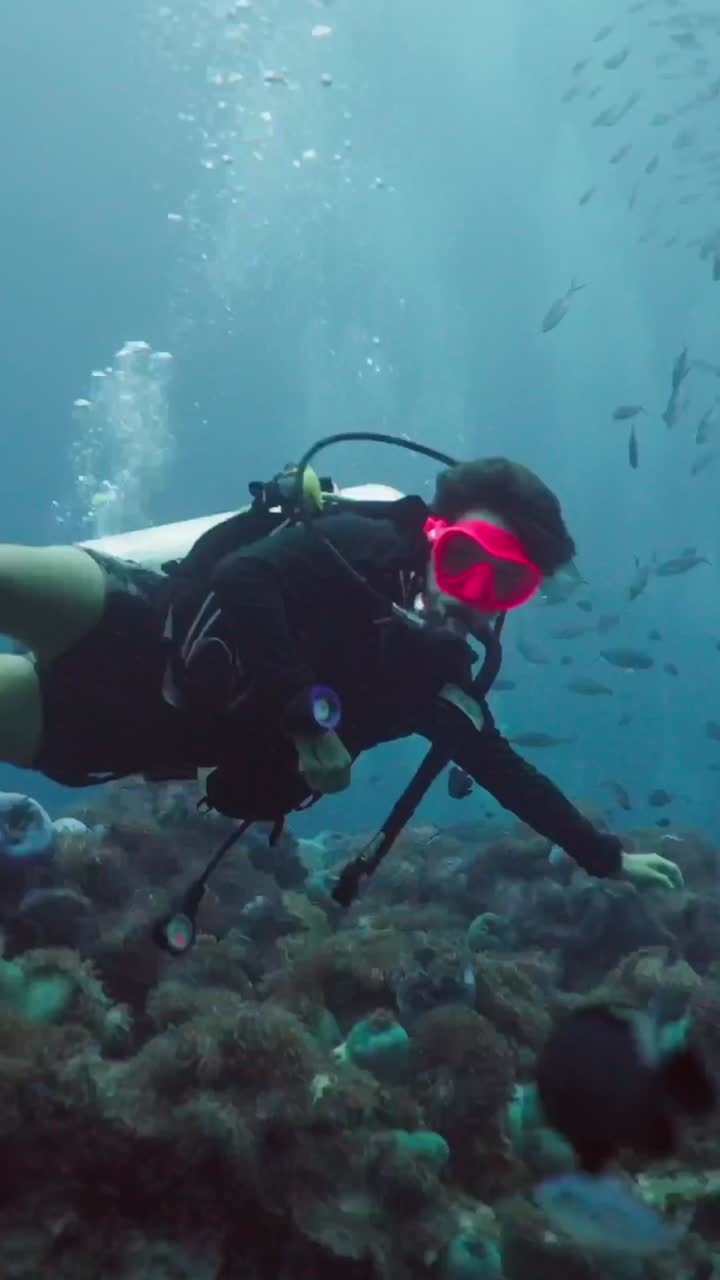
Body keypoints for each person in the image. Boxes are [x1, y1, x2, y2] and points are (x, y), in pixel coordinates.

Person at [0, 450, 681, 895]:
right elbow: (243, 576)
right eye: (464, 560)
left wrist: (605, 857)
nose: (471, 594)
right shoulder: (363, 545)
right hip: (140, 618)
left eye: (504, 585)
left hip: (127, 737)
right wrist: (303, 714)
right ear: (435, 533)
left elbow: (502, 769)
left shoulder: (434, 680)